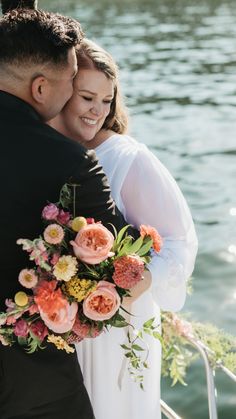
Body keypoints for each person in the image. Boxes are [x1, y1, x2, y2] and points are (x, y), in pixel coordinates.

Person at [0, 6, 138, 419]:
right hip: (34, 387)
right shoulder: (72, 162)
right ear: (41, 89)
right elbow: (117, 264)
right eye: (71, 84)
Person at [49, 39, 198, 419]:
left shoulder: (130, 160)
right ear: (62, 91)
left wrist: (139, 281)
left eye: (106, 101)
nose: (97, 111)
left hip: (119, 333)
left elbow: (181, 243)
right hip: (63, 333)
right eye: (87, 97)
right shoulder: (46, 151)